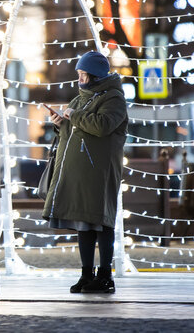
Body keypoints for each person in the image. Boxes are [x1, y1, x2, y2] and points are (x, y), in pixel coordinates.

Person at [42, 51, 128, 293]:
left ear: (95, 75)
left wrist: (74, 116)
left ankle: (105, 276)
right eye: (78, 74)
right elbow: (73, 131)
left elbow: (103, 126)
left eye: (83, 74)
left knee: (101, 221)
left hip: (99, 171)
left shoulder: (114, 98)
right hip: (77, 171)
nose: (79, 78)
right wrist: (60, 124)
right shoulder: (79, 99)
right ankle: (86, 274)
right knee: (84, 223)